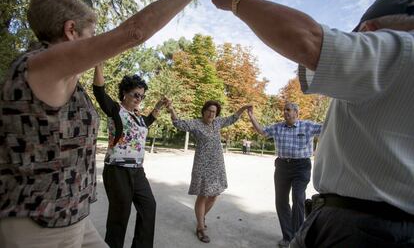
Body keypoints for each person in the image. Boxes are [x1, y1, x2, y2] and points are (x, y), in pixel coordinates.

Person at [0, 0, 225, 247]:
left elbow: (145, 120)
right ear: (71, 31)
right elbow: (134, 33)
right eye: (91, 35)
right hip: (42, 220)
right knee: (119, 221)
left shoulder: (61, 79)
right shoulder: (39, 67)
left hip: (73, 215)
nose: (95, 43)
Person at [211, 0, 414, 246]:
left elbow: (309, 42)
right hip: (374, 221)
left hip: (361, 226)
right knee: (284, 204)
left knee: (295, 201)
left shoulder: (402, 49)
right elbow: (264, 131)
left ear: (368, 31)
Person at [93, 65, 166, 247]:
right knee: (119, 217)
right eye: (135, 94)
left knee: (149, 207)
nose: (138, 99)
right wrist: (98, 64)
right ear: (124, 92)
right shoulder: (116, 110)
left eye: (142, 96)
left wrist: (157, 106)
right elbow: (99, 93)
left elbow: (147, 123)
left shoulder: (138, 116)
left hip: (137, 171)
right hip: (117, 170)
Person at [166, 100, 250, 243]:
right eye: (209, 111)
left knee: (214, 195)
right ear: (204, 111)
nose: (212, 114)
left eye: (214, 112)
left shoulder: (217, 123)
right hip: (202, 165)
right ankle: (200, 227)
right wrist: (171, 108)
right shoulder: (196, 124)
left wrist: (243, 108)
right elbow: (178, 123)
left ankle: (201, 216)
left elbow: (233, 118)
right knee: (203, 195)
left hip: (217, 165)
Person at [247, 102, 322, 247]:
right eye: (284, 110)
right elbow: (262, 131)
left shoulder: (307, 126)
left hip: (301, 167)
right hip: (282, 167)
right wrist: (251, 116)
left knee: (298, 198)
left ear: (296, 113)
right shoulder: (277, 127)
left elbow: (327, 127)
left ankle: (298, 237)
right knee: (281, 201)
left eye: (288, 110)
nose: (285, 112)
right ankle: (288, 237)